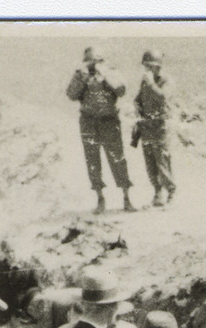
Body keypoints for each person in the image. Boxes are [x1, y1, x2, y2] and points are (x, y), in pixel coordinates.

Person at [65, 46, 135, 214]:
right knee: (93, 161)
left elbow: (121, 90)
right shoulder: (80, 75)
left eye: (95, 61)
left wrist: (105, 75)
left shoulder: (111, 72)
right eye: (89, 62)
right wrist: (81, 79)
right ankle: (100, 198)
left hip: (109, 121)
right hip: (89, 122)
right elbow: (71, 95)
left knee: (117, 159)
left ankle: (126, 197)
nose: (92, 65)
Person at [135, 49, 176, 207]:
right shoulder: (145, 81)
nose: (147, 69)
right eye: (145, 66)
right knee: (150, 162)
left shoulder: (166, 81)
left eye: (150, 66)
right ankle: (157, 193)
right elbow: (139, 97)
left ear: (158, 67)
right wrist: (137, 105)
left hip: (160, 126)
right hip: (147, 126)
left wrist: (151, 83)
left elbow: (164, 97)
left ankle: (171, 192)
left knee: (162, 161)